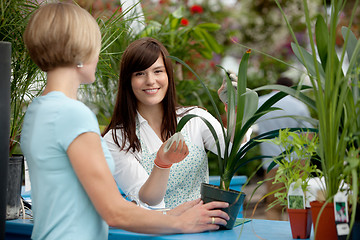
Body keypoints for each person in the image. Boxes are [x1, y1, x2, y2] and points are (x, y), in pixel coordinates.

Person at [20, 3, 229, 239]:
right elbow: (114, 212)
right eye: (97, 45)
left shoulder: (37, 111)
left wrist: (171, 216)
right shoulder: (72, 115)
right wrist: (183, 224)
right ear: (80, 50)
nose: (98, 55)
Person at [103, 37, 251, 209]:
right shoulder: (117, 139)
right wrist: (162, 163)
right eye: (140, 73)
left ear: (168, 75)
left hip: (202, 228)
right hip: (157, 232)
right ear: (127, 81)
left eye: (158, 71)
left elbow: (232, 150)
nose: (150, 80)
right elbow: (148, 200)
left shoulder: (195, 118)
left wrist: (235, 110)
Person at [256, 76, 313, 220]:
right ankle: (297, 234)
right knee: (297, 204)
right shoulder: (299, 105)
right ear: (291, 88)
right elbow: (309, 136)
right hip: (297, 161)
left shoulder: (261, 103)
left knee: (274, 206)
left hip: (272, 162)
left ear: (274, 86)